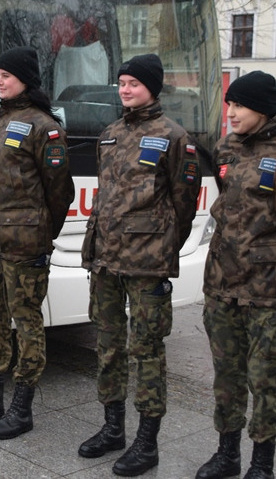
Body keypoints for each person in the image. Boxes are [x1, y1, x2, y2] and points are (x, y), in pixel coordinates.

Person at [80, 53, 200, 476]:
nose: (125, 89)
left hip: (147, 263)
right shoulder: (110, 134)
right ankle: (113, 428)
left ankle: (146, 443)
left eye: (133, 83)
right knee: (108, 345)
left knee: (146, 350)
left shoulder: (174, 137)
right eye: (122, 83)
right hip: (106, 259)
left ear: (153, 86)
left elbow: (185, 204)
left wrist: (161, 243)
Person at [195, 71, 276, 479]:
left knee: (265, 381)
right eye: (229, 104)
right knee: (227, 375)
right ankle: (227, 454)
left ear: (263, 108)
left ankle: (262, 463)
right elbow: (226, 203)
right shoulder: (224, 148)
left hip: (271, 292)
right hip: (223, 285)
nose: (232, 112)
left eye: (239, 105)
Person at [0, 46, 74, 440]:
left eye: (6, 75)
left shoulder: (46, 127)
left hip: (25, 244)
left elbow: (60, 193)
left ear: (26, 78)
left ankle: (21, 407)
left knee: (26, 322)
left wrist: (41, 232)